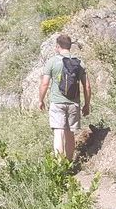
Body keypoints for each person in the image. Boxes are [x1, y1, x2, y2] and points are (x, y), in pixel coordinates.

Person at [38, 33, 91, 161]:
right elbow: (87, 86)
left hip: (57, 103)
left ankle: (59, 166)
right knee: (70, 134)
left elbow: (45, 84)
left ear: (58, 46)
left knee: (58, 133)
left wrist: (41, 100)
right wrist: (87, 104)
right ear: (69, 46)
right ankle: (69, 164)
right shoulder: (79, 63)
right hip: (74, 103)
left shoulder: (52, 61)